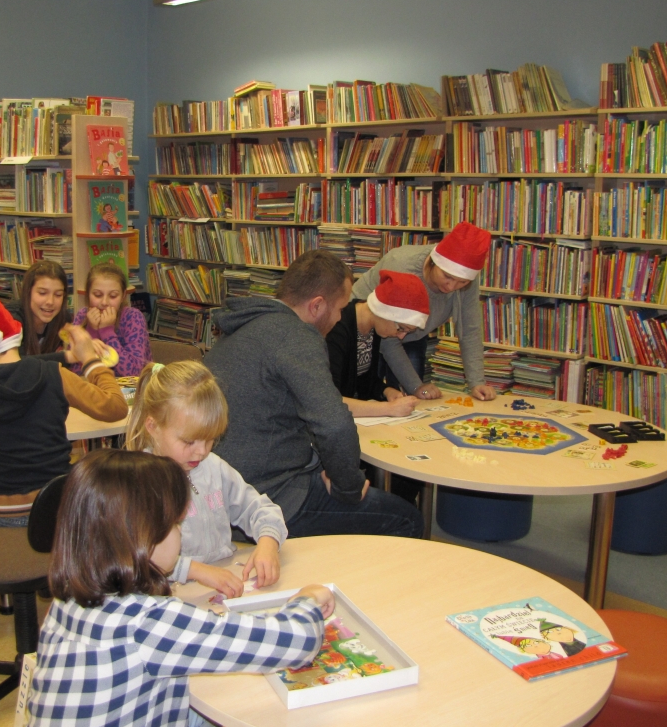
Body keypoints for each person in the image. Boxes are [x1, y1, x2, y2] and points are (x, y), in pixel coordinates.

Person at [16, 449, 334, 727]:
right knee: (242, 689)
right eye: (175, 525)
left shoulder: (66, 604)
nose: (180, 536)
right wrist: (309, 599)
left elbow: (124, 713)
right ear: (141, 539)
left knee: (204, 700)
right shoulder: (148, 623)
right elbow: (296, 642)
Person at [126, 360, 329, 727]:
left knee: (270, 670)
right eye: (189, 441)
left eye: (210, 440)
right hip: (174, 605)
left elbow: (260, 508)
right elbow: (135, 554)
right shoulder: (136, 480)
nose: (200, 451)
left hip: (229, 594)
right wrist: (196, 570)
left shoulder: (212, 468)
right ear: (152, 427)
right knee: (218, 699)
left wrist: (268, 542)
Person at [0, 292, 127, 637]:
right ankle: (61, 584)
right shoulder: (52, 374)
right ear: (14, 335)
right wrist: (91, 361)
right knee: (80, 478)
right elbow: (114, 408)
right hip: (55, 506)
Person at [204, 249, 423, 540]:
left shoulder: (244, 327)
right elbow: (334, 425)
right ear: (317, 305)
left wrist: (321, 467)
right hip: (263, 501)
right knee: (406, 518)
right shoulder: (297, 337)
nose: (340, 317)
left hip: (218, 495)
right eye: (340, 308)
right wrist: (348, 487)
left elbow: (278, 416)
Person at [351, 221, 496, 402]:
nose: (452, 286)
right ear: (433, 263)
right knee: (369, 392)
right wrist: (416, 385)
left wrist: (477, 382)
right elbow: (389, 340)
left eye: (462, 282)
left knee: (412, 401)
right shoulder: (403, 267)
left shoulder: (465, 280)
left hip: (411, 332)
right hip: (368, 332)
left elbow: (470, 329)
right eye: (447, 277)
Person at [327, 270, 430, 418]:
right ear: (384, 312)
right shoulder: (337, 328)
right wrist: (388, 409)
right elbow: (329, 400)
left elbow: (364, 381)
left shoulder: (373, 329)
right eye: (401, 328)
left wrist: (386, 391)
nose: (401, 336)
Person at [0, 261, 77, 382]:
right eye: (42, 293)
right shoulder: (11, 319)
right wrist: (67, 357)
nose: (50, 301)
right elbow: (15, 366)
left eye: (58, 295)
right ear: (28, 292)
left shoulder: (62, 319)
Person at [72, 262, 151, 377]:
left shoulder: (133, 317)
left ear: (123, 296)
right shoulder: (82, 316)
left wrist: (107, 332)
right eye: (97, 295)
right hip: (92, 385)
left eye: (113, 296)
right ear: (88, 294)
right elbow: (74, 372)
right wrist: (92, 332)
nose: (104, 302)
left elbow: (133, 372)